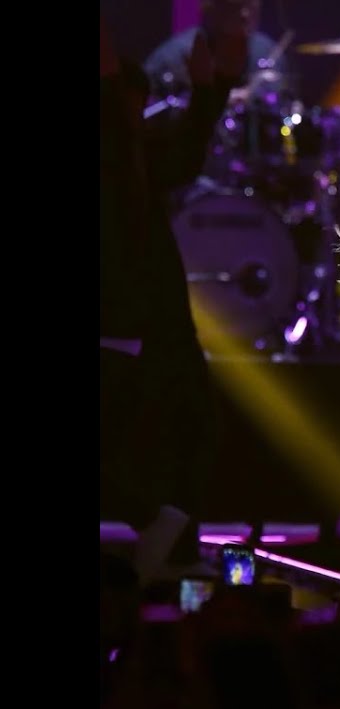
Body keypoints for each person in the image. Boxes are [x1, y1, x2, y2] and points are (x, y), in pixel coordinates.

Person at [101, 15, 236, 582]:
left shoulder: (139, 161)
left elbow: (185, 155)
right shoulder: (115, 161)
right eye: (125, 107)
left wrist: (211, 88)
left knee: (192, 429)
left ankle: (170, 541)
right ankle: (155, 527)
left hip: (153, 324)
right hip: (121, 324)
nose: (135, 119)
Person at [143, 0, 287, 100]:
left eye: (250, 4)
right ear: (209, 7)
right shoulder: (170, 60)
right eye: (234, 5)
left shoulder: (268, 52)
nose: (245, 14)